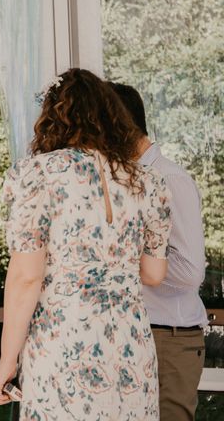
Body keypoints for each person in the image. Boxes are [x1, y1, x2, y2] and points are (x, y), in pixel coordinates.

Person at [0, 68, 172, 420]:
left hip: (64, 344)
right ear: (110, 116)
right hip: (130, 350)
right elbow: (154, 273)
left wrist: (6, 362)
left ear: (54, 118)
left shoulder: (38, 174)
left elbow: (27, 277)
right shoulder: (149, 182)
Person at [110, 82, 207, 421]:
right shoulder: (124, 180)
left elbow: (190, 271)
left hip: (167, 337)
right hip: (137, 334)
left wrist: (119, 258)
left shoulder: (170, 179)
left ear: (117, 125)